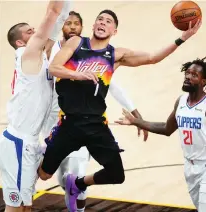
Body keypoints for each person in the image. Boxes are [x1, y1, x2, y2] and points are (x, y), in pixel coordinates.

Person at [38, 9, 201, 212]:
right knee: (44, 175)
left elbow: (152, 57)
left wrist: (182, 38)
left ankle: (77, 184)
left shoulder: (116, 55)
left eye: (108, 21)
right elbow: (54, 68)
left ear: (114, 30)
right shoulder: (76, 43)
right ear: (93, 25)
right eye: (99, 19)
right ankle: (35, 155)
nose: (102, 23)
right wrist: (80, 75)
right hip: (69, 123)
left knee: (117, 174)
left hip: (96, 125)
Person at [41, 11, 146, 212]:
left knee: (77, 177)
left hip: (89, 122)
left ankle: (78, 196)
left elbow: (112, 85)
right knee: (54, 177)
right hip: (57, 122)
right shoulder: (54, 49)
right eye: (68, 23)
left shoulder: (90, 51)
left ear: (83, 27)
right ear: (61, 27)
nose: (72, 27)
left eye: (76, 23)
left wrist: (134, 110)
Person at [0, 1, 70, 211]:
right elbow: (52, 13)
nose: (36, 31)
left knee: (26, 206)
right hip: (19, 143)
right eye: (30, 31)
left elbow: (58, 20)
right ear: (20, 42)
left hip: (28, 141)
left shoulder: (40, 56)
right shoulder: (27, 55)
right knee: (16, 208)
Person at [115, 57, 206, 212]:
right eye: (187, 73)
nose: (188, 77)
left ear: (203, 82)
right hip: (189, 168)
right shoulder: (181, 101)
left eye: (194, 75)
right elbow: (166, 128)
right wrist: (136, 121)